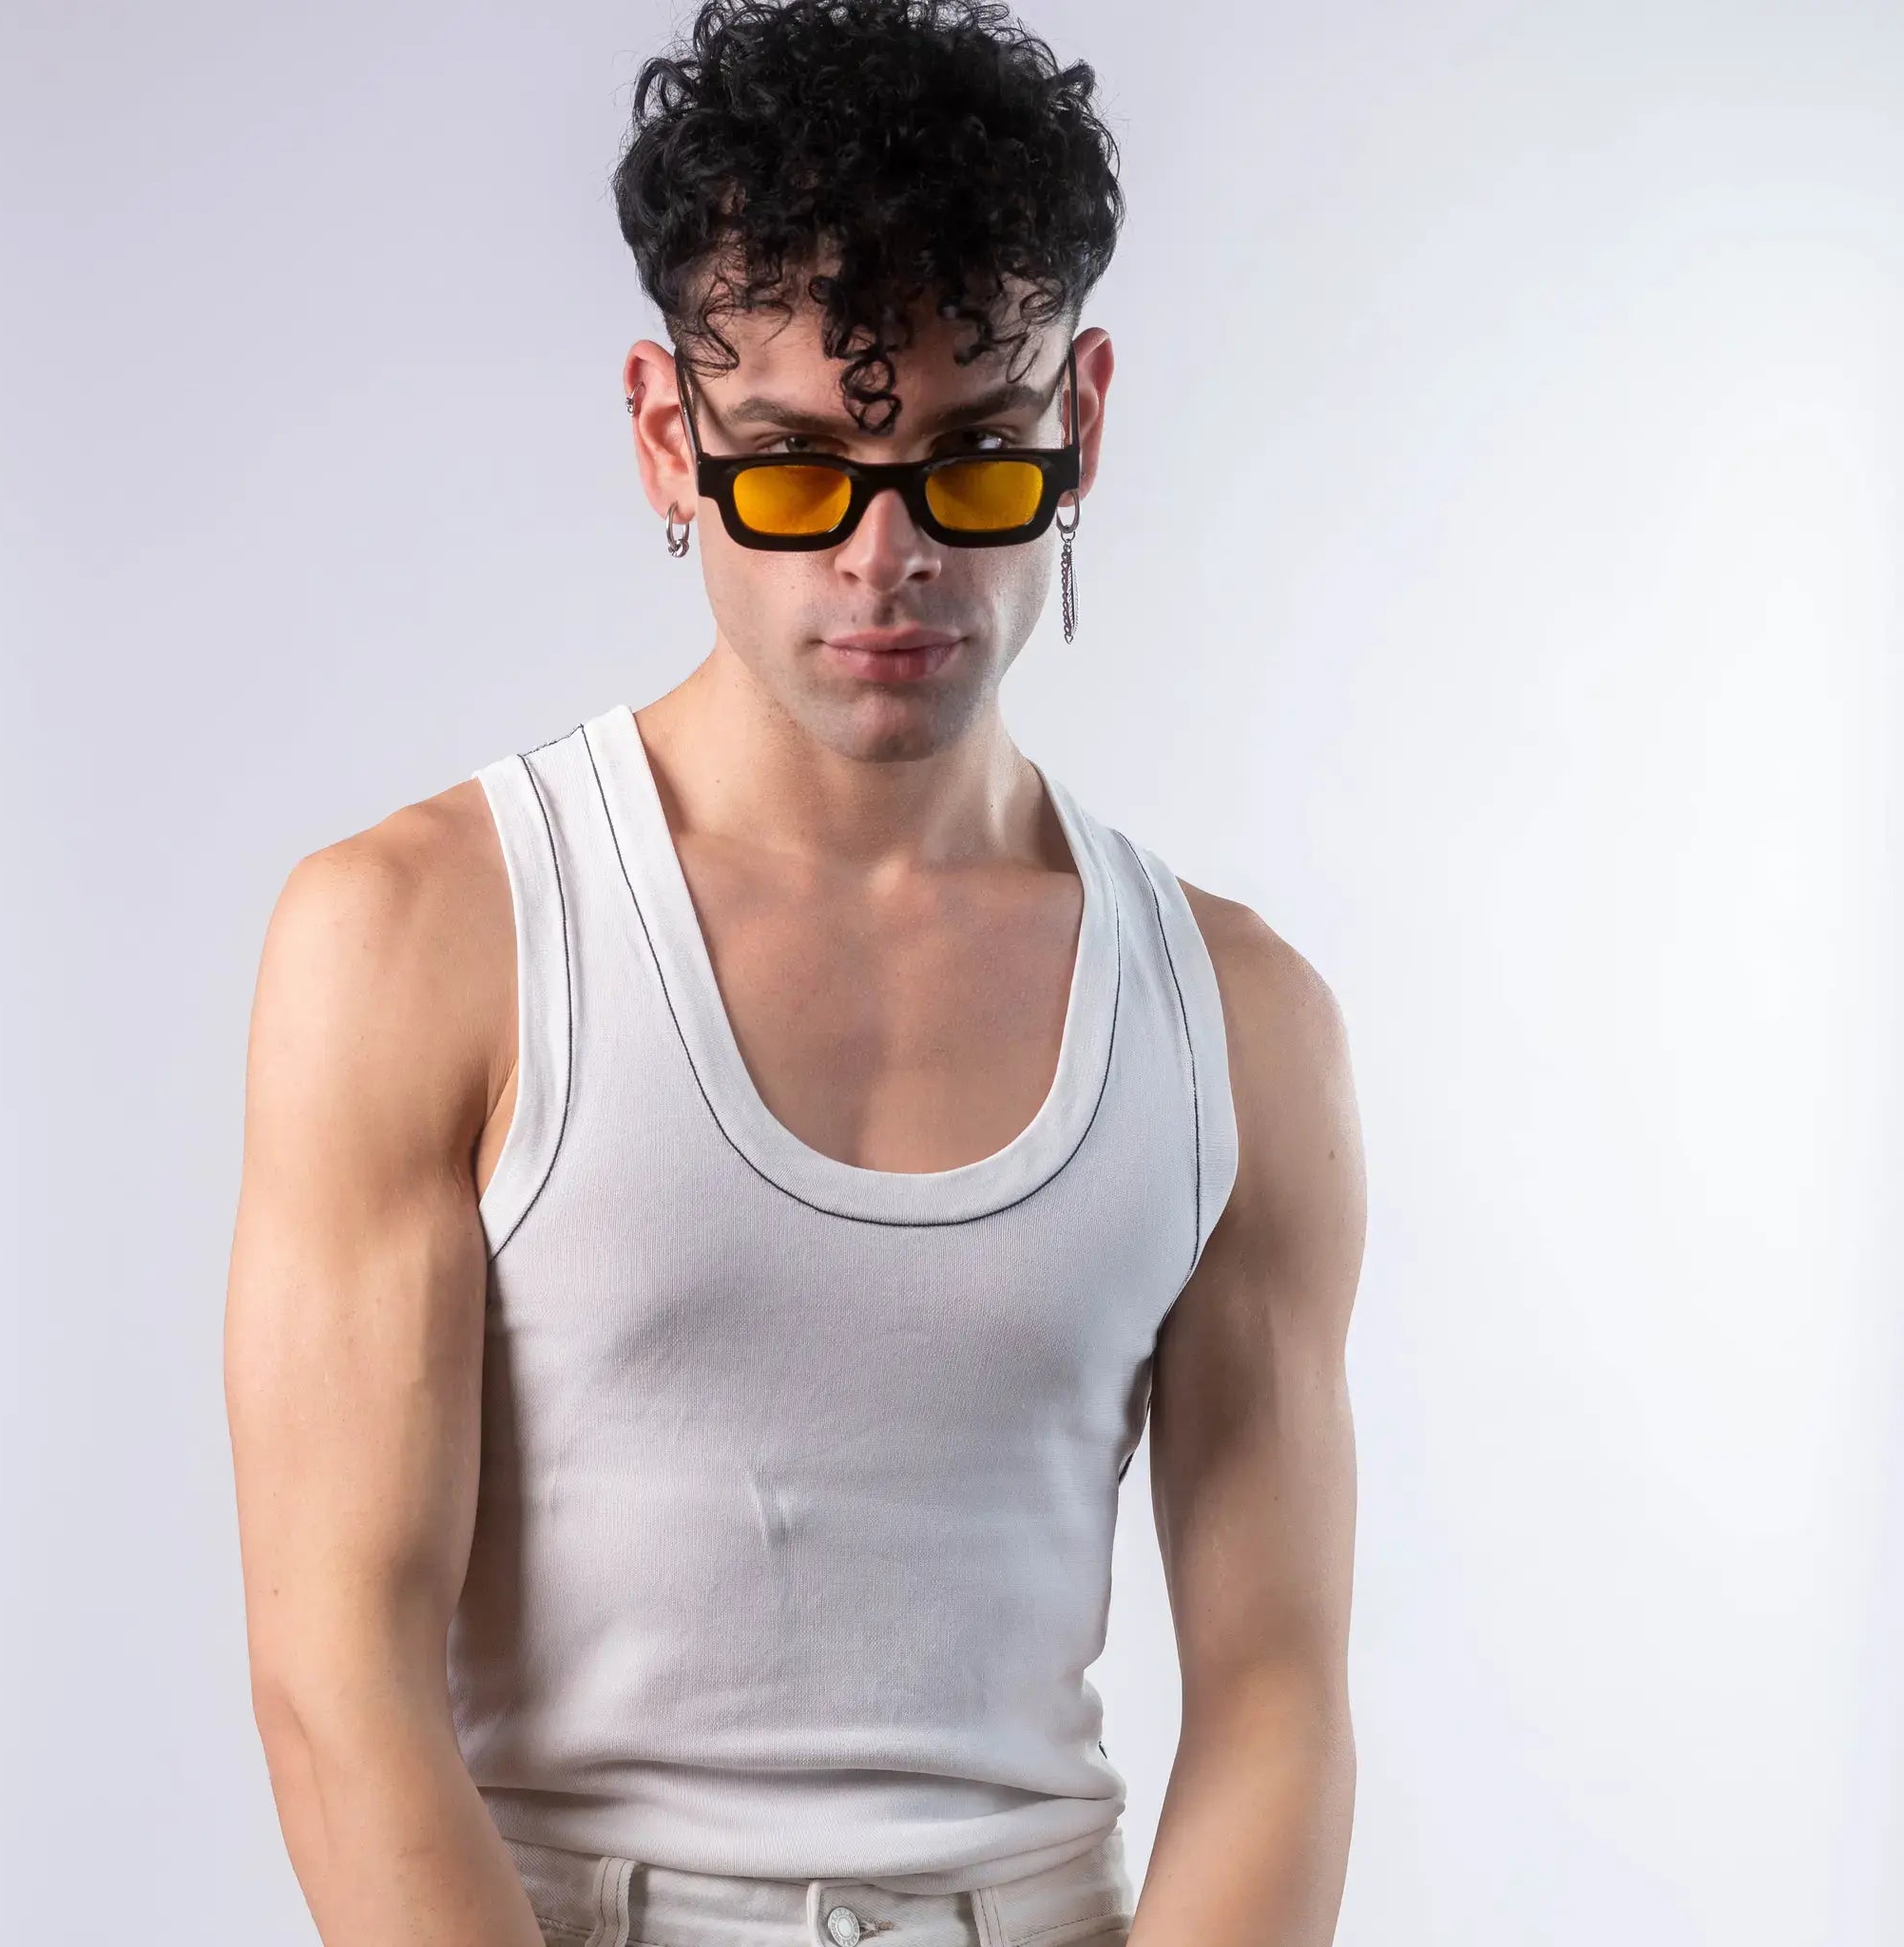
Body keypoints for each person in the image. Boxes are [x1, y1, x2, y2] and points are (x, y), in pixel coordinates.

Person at [222, 3, 1366, 1945]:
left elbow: (1274, 1695)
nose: (889, 551)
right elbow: (336, 1679)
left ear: (1082, 422)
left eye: (970, 461)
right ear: (672, 439)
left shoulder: (1235, 1018)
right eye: (795, 467)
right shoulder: (423, 937)